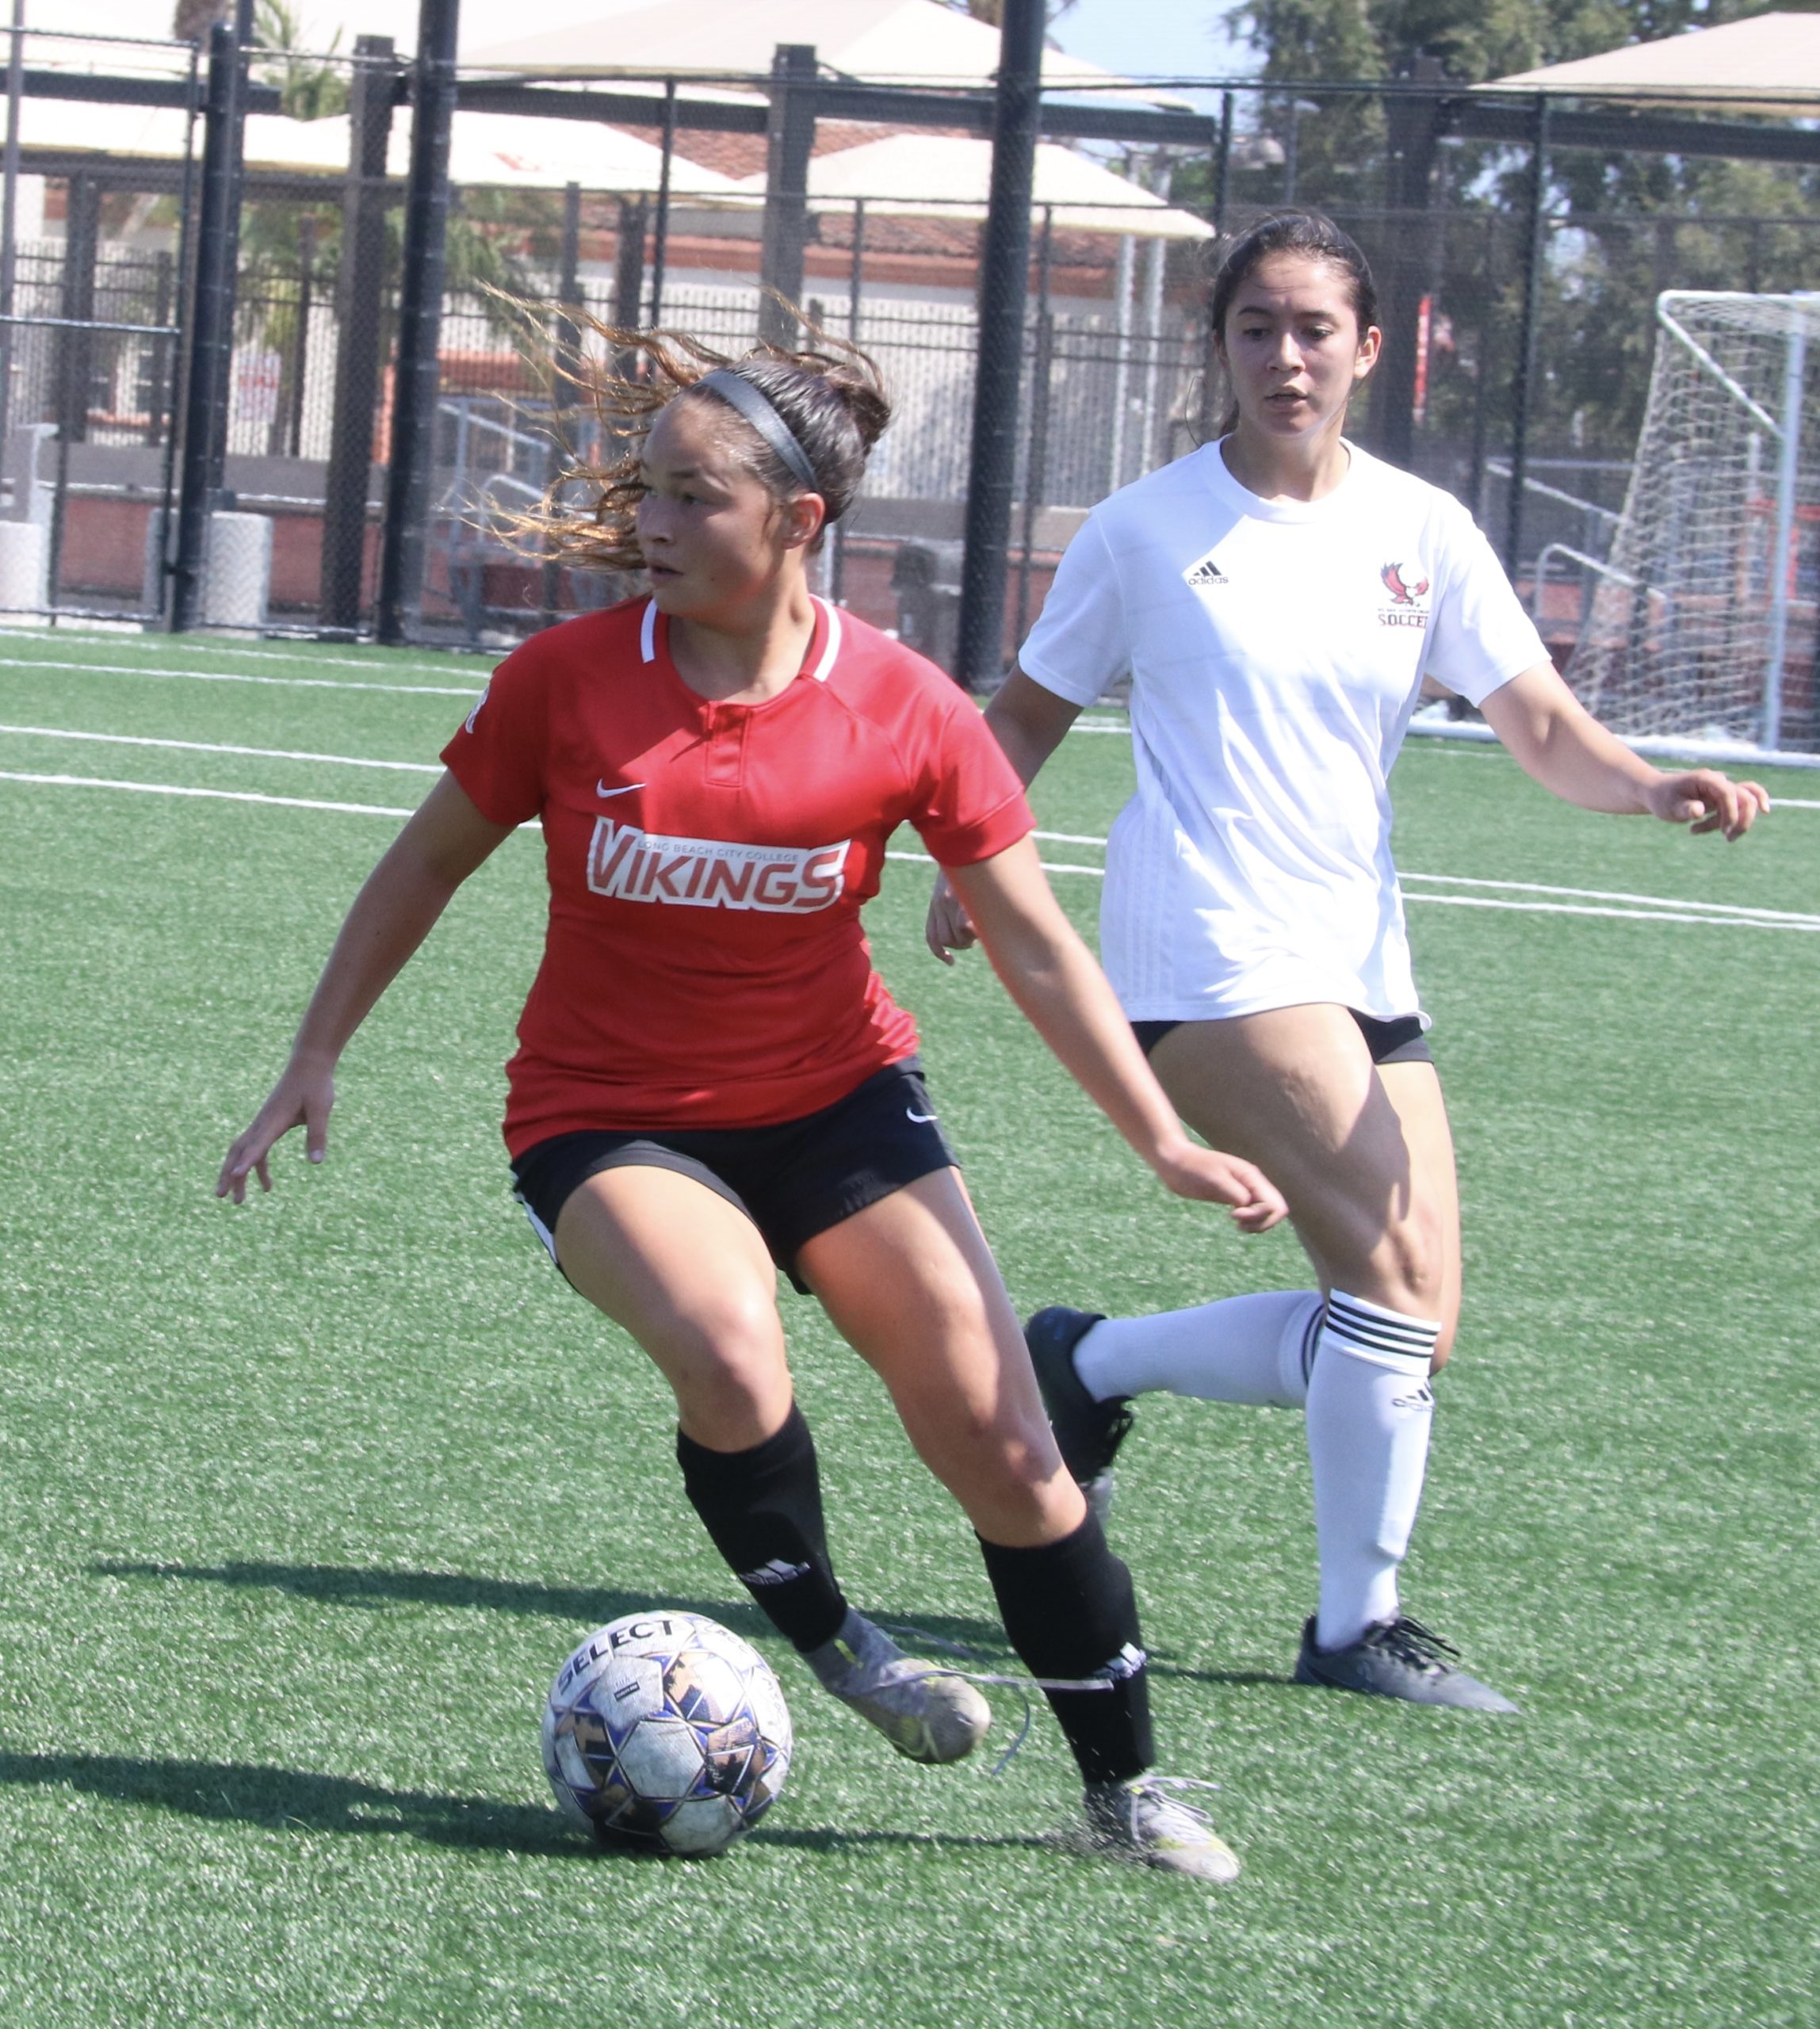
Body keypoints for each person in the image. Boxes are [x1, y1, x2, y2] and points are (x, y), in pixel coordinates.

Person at [216, 325, 1288, 1881]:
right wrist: (316, 1049)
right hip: (605, 1114)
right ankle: (842, 1644)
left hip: (839, 1101)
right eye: (645, 490)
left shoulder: (908, 707)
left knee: (1004, 1441)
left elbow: (1036, 941)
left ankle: (1122, 1792)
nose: (649, 522)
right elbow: (428, 856)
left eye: (690, 496)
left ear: (798, 519)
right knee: (731, 1350)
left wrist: (1162, 1135)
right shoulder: (566, 681)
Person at [927, 210, 1768, 1714]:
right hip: (1205, 941)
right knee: (1379, 1281)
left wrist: (1648, 784)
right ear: (1222, 348)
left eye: (1315, 328)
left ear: (1369, 350)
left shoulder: (1421, 531)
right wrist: (963, 860)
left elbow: (1539, 723)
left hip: (1359, 949)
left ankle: (1088, 1364)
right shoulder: (1143, 529)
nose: (1286, 356)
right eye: (1258, 327)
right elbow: (1023, 722)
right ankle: (1351, 1629)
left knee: (1413, 1327)